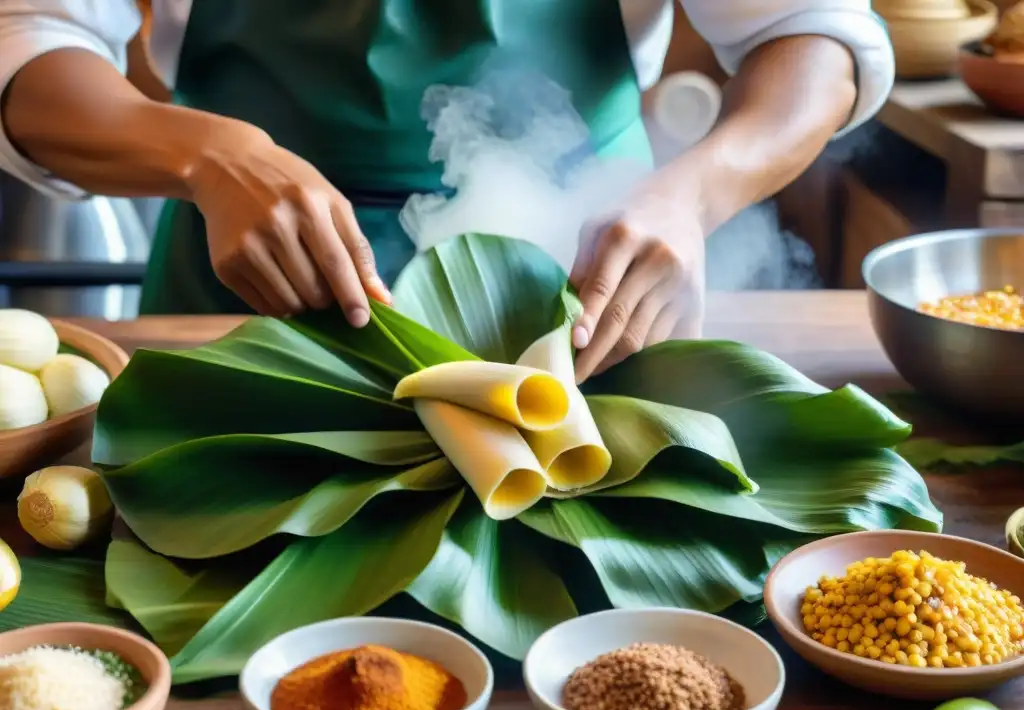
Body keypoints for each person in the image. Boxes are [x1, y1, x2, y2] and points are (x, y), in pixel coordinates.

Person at [0, 1, 893, 380]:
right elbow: (31, 43)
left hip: (572, 293)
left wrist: (691, 197)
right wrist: (208, 155)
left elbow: (812, 38)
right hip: (242, 294)